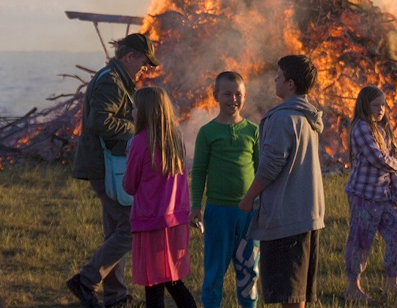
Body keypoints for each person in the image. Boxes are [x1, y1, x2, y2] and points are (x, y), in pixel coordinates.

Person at [67, 33, 159, 308]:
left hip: (106, 166)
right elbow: (100, 121)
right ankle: (85, 280)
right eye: (143, 62)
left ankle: (115, 297)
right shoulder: (111, 81)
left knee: (115, 231)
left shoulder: (116, 78)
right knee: (131, 227)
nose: (145, 69)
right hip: (104, 167)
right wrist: (138, 130)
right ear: (129, 56)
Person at [238, 55, 324, 308]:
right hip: (309, 214)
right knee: (298, 295)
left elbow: (270, 166)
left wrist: (249, 197)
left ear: (290, 84)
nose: (275, 79)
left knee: (290, 295)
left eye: (279, 76)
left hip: (287, 218)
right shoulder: (309, 117)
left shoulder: (283, 119)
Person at [189, 72, 260, 308]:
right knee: (214, 270)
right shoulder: (208, 133)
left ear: (245, 96)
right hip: (218, 213)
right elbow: (199, 171)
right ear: (215, 96)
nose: (233, 99)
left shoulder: (252, 130)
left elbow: (261, 171)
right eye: (227, 94)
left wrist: (263, 204)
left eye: (238, 94)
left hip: (248, 213)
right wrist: (195, 206)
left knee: (249, 271)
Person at [122, 87, 196, 308]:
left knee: (153, 285)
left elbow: (129, 185)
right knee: (173, 281)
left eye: (135, 107)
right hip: (176, 221)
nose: (132, 111)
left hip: (150, 221)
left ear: (144, 112)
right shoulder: (176, 140)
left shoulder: (138, 143)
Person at [343, 85, 397, 300]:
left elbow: (389, 168)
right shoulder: (362, 127)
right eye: (375, 105)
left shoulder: (382, 129)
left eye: (383, 105)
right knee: (360, 240)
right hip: (364, 195)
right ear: (365, 105)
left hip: (385, 196)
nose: (381, 109)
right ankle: (353, 288)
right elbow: (377, 158)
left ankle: (392, 284)